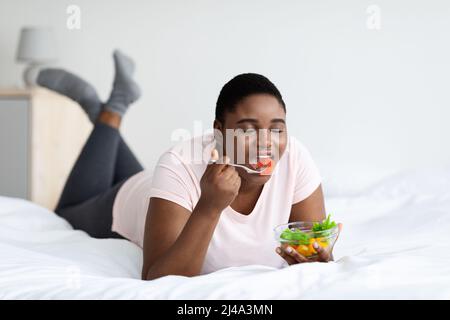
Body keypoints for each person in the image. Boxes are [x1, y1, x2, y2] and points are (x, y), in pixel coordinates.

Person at [38, 50, 342, 281]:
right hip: (135, 198)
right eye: (248, 129)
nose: (267, 142)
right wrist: (209, 206)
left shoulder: (296, 157)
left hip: (159, 185)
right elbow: (158, 279)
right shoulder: (180, 162)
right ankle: (112, 109)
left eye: (277, 128)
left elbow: (311, 244)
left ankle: (101, 112)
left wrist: (318, 258)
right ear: (219, 131)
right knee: (65, 212)